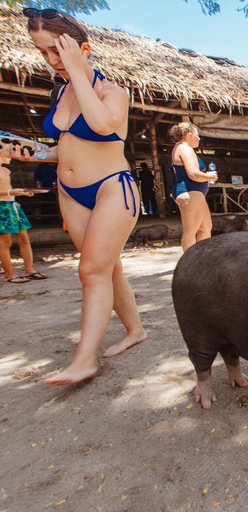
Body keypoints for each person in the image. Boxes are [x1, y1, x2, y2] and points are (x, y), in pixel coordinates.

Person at [12, 7, 147, 384]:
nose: (52, 61)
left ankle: (85, 359)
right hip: (69, 192)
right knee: (107, 267)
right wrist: (31, 151)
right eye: (43, 53)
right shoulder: (60, 93)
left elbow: (104, 125)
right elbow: (66, 146)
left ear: (82, 49)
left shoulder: (111, 92)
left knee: (91, 270)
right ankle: (136, 331)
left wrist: (76, 71)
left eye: (58, 51)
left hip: (112, 189)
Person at [0, 145, 46, 283]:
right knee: (5, 241)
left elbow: (7, 189)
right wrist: (10, 193)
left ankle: (29, 270)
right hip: (1, 207)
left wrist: (21, 192)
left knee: (24, 239)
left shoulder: (5, 170)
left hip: (12, 205)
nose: (11, 156)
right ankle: (9, 273)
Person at [169, 122, 218, 252]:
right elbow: (193, 174)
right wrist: (209, 176)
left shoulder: (179, 148)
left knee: (205, 228)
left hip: (194, 192)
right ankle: (189, 265)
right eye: (197, 135)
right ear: (190, 135)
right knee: (190, 230)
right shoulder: (185, 149)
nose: (199, 138)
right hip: (190, 191)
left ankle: (202, 261)